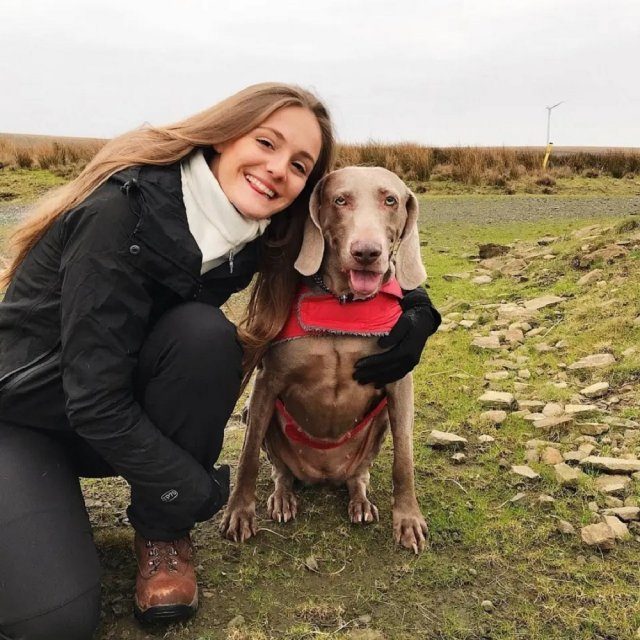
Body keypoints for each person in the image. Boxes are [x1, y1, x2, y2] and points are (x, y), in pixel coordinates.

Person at [0, 82, 441, 639]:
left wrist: (419, 307)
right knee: (53, 622)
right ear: (223, 138)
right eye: (266, 142)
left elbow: (362, 238)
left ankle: (161, 531)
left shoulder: (253, 233)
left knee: (206, 337)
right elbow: (93, 399)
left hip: (107, 417)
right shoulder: (119, 212)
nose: (277, 168)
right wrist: (197, 489)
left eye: (299, 164)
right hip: (26, 420)